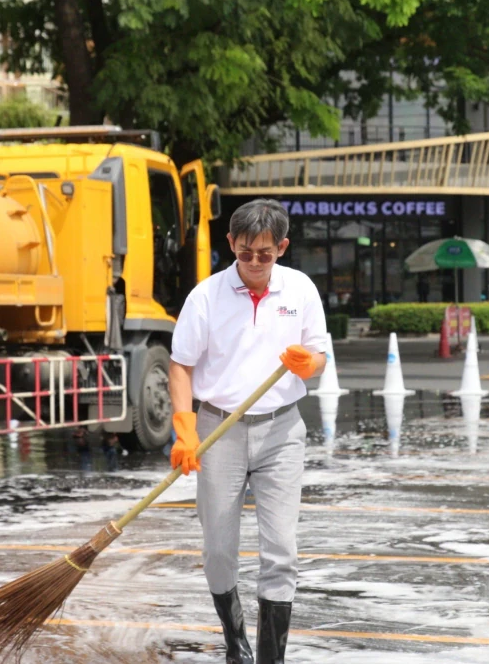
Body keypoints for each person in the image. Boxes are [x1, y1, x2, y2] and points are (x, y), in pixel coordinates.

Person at [168, 199, 327, 664]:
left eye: (265, 253)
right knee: (219, 547)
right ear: (231, 245)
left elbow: (319, 356)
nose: (254, 263)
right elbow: (181, 366)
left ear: (282, 247)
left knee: (281, 548)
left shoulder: (300, 290)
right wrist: (185, 429)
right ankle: (234, 639)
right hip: (220, 429)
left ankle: (270, 657)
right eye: (245, 253)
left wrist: (309, 362)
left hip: (282, 430)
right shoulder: (206, 296)